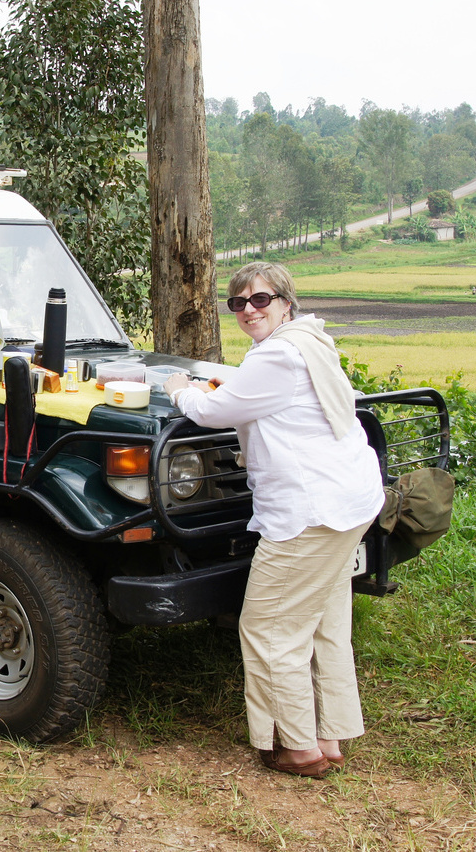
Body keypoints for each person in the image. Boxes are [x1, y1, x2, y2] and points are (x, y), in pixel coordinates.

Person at [163, 262, 384, 779]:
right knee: (325, 622)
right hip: (348, 502)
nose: (248, 311)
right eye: (237, 303)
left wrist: (180, 387)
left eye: (260, 300)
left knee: (269, 626)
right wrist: (222, 382)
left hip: (309, 511)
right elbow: (258, 389)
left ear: (286, 301)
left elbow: (214, 413)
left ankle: (296, 746)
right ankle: (328, 735)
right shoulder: (310, 343)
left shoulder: (280, 354)